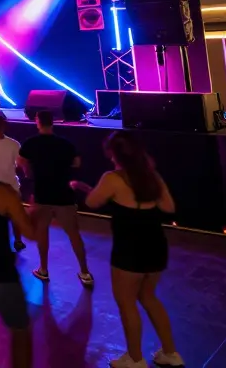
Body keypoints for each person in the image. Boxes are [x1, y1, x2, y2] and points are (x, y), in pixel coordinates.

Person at [72, 133, 183, 368]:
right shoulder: (152, 177)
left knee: (126, 303)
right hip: (156, 245)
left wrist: (84, 188)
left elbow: (92, 202)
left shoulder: (112, 178)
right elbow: (169, 207)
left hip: (129, 248)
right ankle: (171, 353)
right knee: (149, 297)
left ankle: (135, 358)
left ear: (116, 154)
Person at [19, 110, 93, 286]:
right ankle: (85, 272)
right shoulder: (65, 144)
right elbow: (76, 163)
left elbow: (21, 162)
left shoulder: (31, 143)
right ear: (53, 122)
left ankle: (43, 270)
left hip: (42, 193)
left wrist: (30, 171)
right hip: (64, 194)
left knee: (42, 232)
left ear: (38, 122)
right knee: (74, 234)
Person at [0, 113, 25, 250]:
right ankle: (18, 240)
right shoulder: (14, 144)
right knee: (15, 216)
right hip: (11, 187)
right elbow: (21, 164)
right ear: (5, 125)